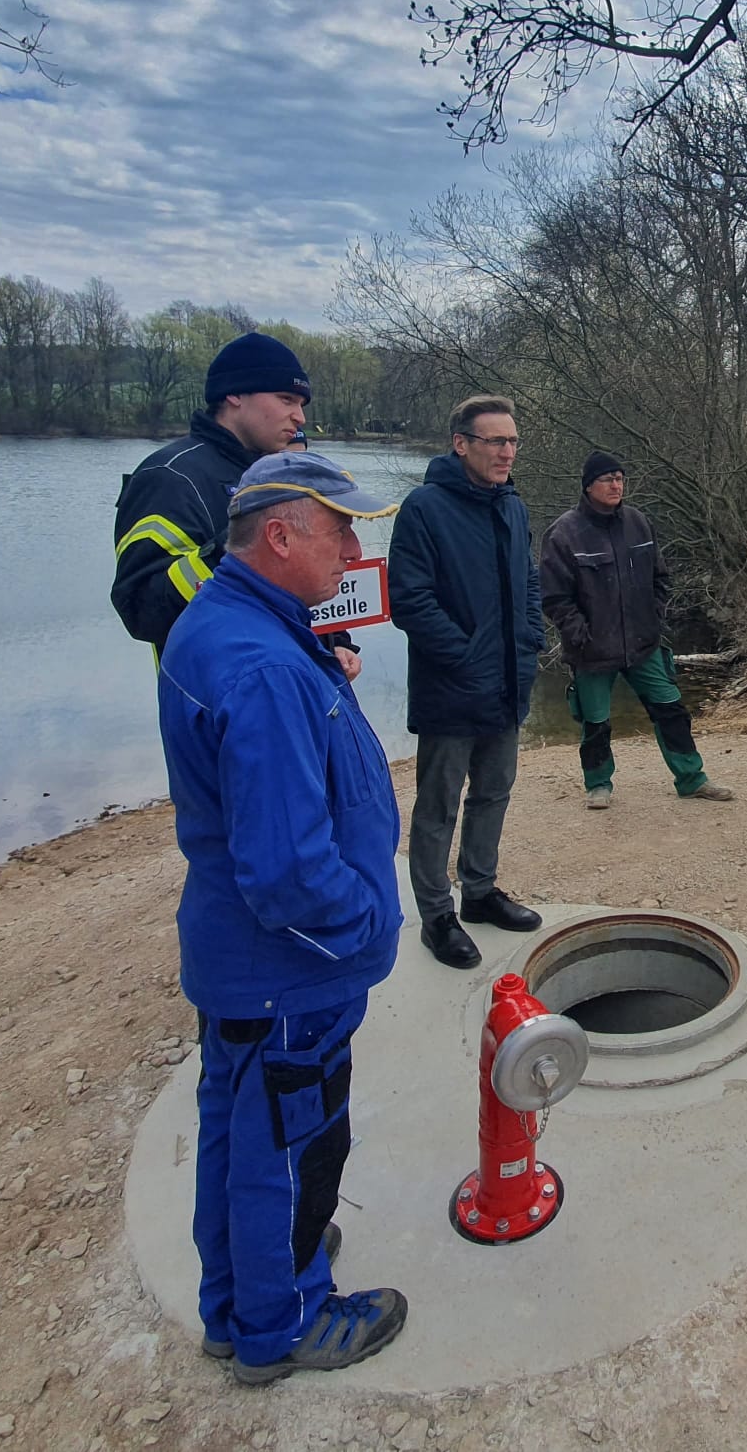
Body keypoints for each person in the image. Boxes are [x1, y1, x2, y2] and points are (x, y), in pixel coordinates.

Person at [157, 451, 408, 1385]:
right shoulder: (259, 664)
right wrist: (364, 928)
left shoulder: (232, 621)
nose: (352, 546)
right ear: (279, 535)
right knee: (294, 1142)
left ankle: (237, 1296)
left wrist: (320, 664)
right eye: (339, 528)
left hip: (240, 960)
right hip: (286, 970)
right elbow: (290, 872)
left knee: (239, 1128)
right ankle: (283, 1322)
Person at [387, 396, 547, 971]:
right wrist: (464, 655)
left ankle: (478, 892)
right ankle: (436, 915)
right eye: (496, 441)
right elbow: (408, 599)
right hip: (451, 687)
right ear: (462, 444)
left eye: (513, 441)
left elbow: (530, 579)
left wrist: (530, 638)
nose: (508, 452)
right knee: (437, 806)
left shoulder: (512, 507)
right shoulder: (424, 510)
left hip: (508, 682)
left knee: (493, 793)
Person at [112, 330, 359, 681]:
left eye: (302, 405)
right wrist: (241, 543)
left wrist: (334, 643)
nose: (300, 417)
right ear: (233, 395)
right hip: (223, 701)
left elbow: (299, 585)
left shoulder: (280, 472)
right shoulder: (171, 476)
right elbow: (142, 611)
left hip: (301, 686)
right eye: (286, 399)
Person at [540, 451, 734, 807]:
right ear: (588, 487)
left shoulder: (638, 522)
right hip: (593, 650)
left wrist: (654, 616)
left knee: (671, 710)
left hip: (643, 644)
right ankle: (599, 785)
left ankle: (691, 778)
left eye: (620, 478)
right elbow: (554, 597)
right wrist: (579, 632)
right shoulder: (564, 533)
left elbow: (660, 577)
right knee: (595, 721)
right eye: (607, 479)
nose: (616, 485)